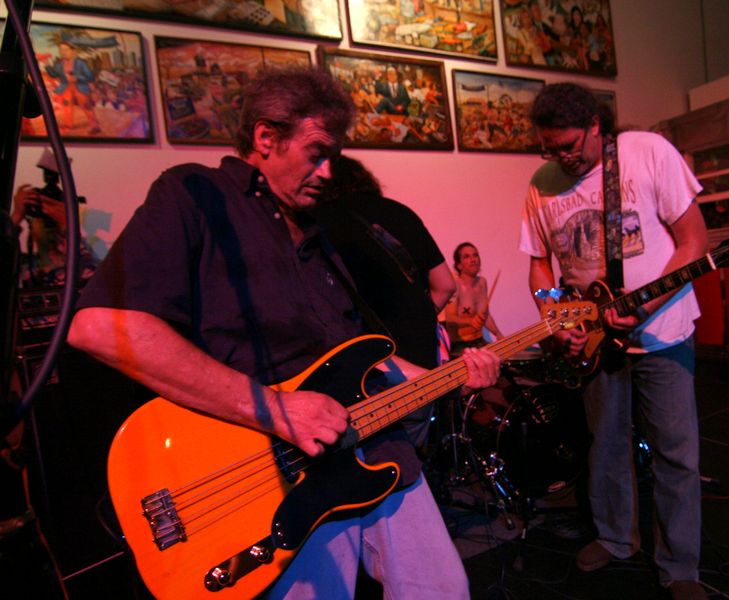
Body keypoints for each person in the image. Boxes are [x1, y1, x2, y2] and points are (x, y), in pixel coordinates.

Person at [66, 67, 500, 599]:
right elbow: (100, 326)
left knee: (443, 589)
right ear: (266, 138)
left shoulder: (321, 232)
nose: (328, 171)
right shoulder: (195, 196)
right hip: (264, 477)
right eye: (317, 153)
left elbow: (353, 356)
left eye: (333, 156)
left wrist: (451, 375)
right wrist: (276, 408)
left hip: (369, 448)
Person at [518, 83, 709, 600]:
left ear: (595, 126)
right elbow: (539, 265)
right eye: (549, 149)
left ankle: (680, 566)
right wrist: (553, 315)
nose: (561, 158)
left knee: (676, 454)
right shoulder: (541, 183)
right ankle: (615, 538)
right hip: (594, 341)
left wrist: (644, 305)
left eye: (568, 146)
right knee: (604, 447)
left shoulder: (648, 151)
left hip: (663, 334)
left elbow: (694, 241)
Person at [314, 155, 456, 448]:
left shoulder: (318, 221)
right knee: (416, 460)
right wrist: (414, 319)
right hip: (421, 369)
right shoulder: (400, 212)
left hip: (366, 377)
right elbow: (445, 285)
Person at [10, 149, 96, 288]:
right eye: (43, 219)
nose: (49, 225)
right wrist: (15, 218)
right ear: (31, 222)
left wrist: (67, 228)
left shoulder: (84, 263)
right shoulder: (23, 266)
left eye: (54, 218)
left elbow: (89, 280)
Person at [444, 242, 503, 355]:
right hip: (460, 345)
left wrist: (499, 335)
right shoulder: (455, 285)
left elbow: (485, 316)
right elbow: (450, 320)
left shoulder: (482, 282)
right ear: (459, 265)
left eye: (475, 255)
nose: (473, 260)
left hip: (479, 341)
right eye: (466, 257)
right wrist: (470, 321)